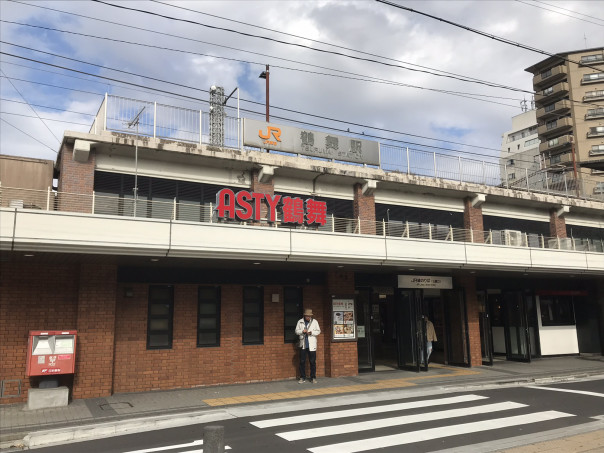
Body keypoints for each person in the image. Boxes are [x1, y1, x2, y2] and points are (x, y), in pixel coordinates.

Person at [295, 308, 321, 383]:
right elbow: (296, 331)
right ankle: (302, 377)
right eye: (307, 316)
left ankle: (313, 377)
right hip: (303, 345)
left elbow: (319, 331)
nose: (308, 317)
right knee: (302, 361)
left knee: (312, 362)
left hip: (312, 345)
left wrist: (311, 332)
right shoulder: (300, 322)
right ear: (305, 315)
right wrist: (302, 331)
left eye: (310, 316)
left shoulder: (315, 322)